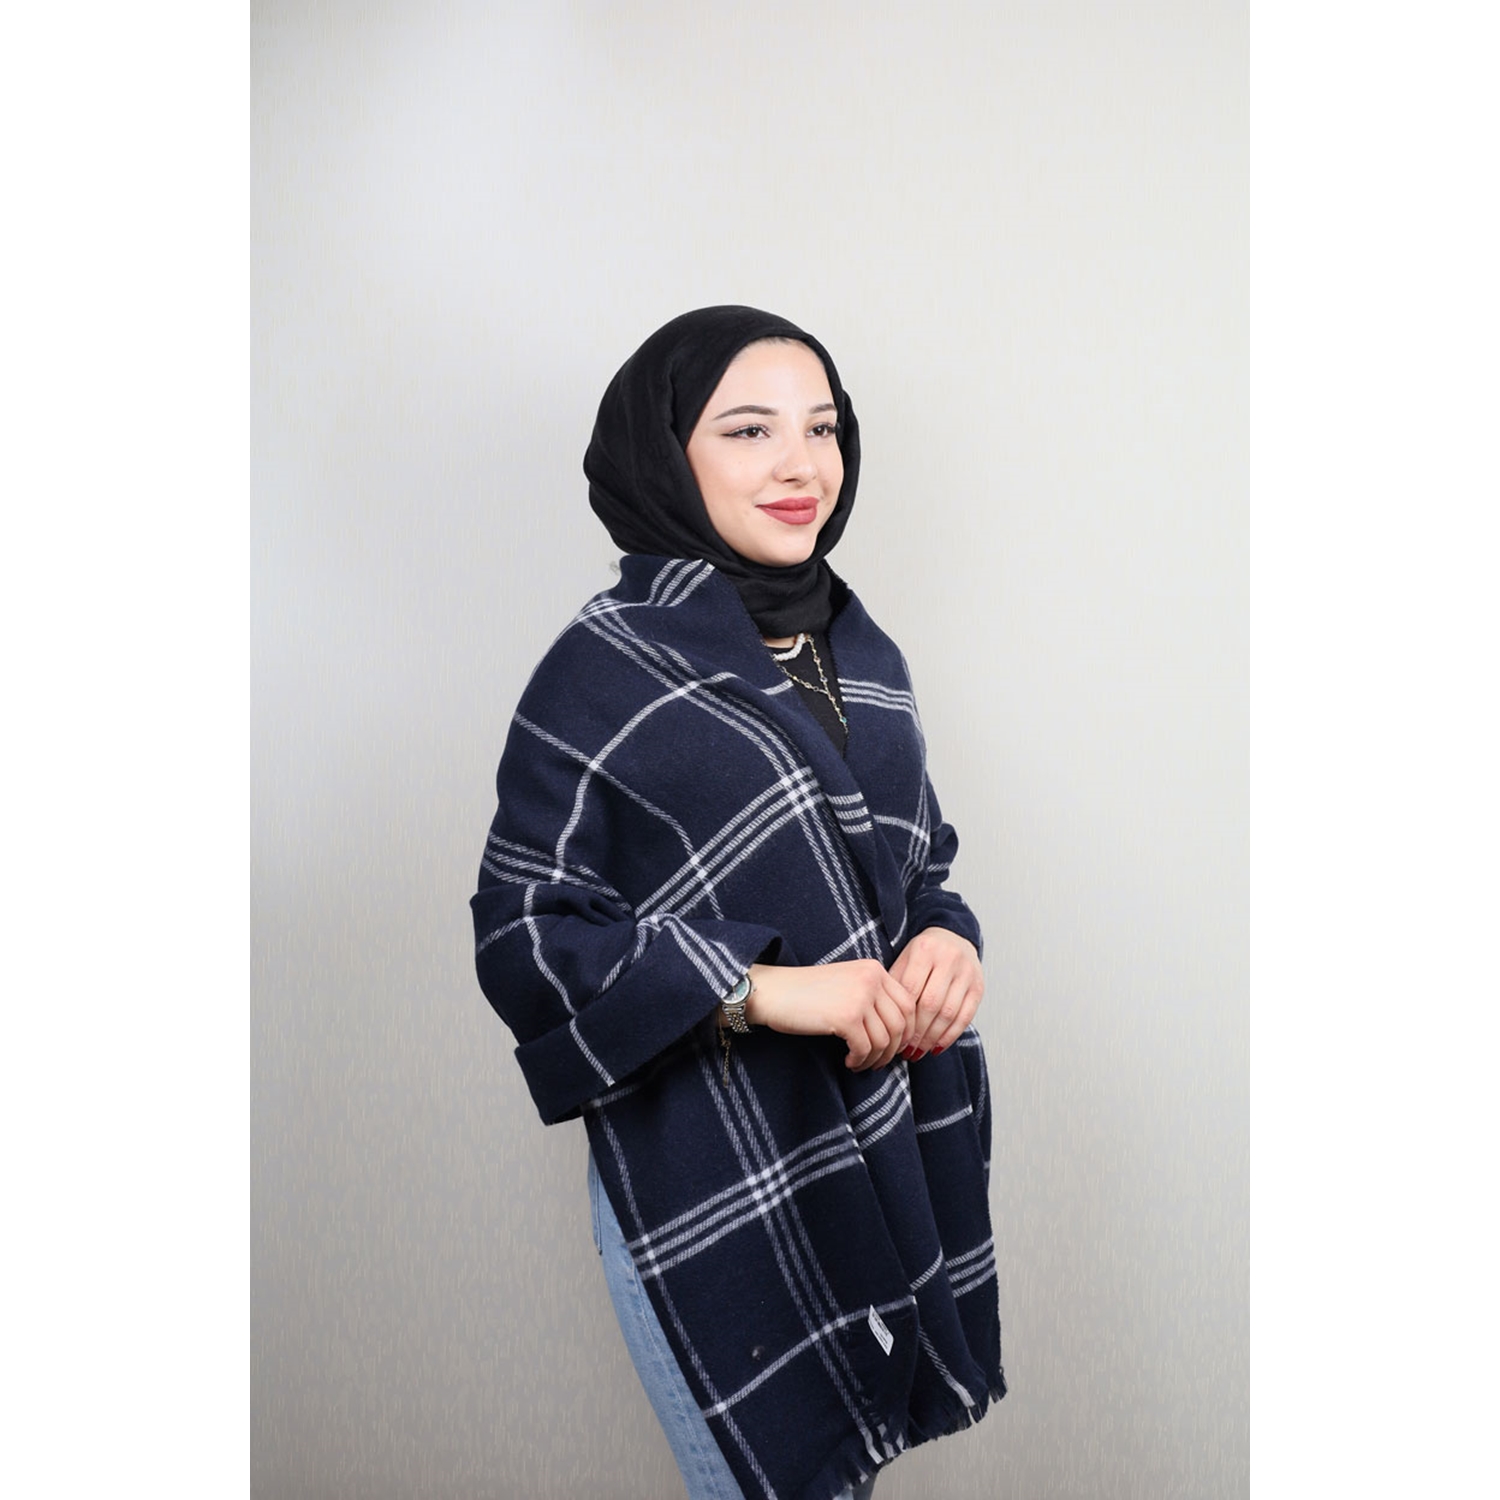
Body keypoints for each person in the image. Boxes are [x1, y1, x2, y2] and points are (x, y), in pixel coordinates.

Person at [471, 306, 1005, 1500]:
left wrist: (945, 940)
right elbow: (524, 937)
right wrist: (760, 990)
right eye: (751, 429)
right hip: (719, 1172)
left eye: (824, 428)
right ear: (667, 454)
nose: (801, 464)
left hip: (879, 1136)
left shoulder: (860, 650)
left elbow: (918, 866)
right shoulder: (604, 666)